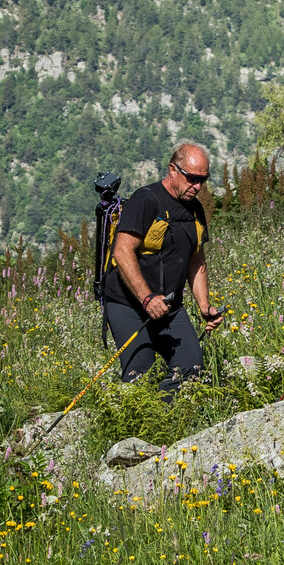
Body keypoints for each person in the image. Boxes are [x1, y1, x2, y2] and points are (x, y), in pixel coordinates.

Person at [103, 142, 221, 395]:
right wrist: (147, 298)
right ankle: (130, 429)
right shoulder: (146, 200)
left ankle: (164, 423)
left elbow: (196, 259)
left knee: (191, 368)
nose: (197, 187)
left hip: (169, 306)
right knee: (139, 369)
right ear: (173, 170)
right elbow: (122, 251)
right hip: (127, 303)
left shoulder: (195, 210)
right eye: (192, 178)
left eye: (203, 180)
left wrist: (204, 306)